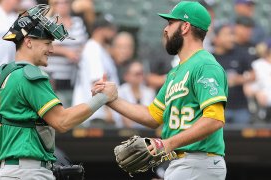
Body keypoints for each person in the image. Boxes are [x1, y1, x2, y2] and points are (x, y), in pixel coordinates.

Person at [93, 1, 228, 179]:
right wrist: (111, 99)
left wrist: (167, 143)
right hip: (183, 162)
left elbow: (214, 119)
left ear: (185, 26)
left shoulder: (205, 65)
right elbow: (153, 116)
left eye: (171, 23)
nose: (166, 29)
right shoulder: (175, 72)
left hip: (199, 160)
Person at [0, 4, 116, 180]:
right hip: (28, 172)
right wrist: (102, 98)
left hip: (11, 169)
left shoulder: (6, 73)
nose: (51, 49)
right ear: (28, 42)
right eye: (47, 43)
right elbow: (62, 121)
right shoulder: (29, 75)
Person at [72, 15, 119, 127]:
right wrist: (108, 112)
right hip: (96, 115)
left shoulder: (99, 49)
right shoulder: (93, 48)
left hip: (97, 113)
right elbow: (98, 83)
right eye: (110, 29)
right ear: (99, 30)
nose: (113, 33)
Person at [42, 0, 88, 108]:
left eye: (65, 2)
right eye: (58, 2)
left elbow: (84, 43)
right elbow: (43, 46)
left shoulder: (78, 22)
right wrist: (66, 52)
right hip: (52, 76)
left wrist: (78, 53)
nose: (62, 5)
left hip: (73, 76)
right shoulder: (47, 22)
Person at [213, 23, 255, 124]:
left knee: (244, 138)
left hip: (239, 108)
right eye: (227, 35)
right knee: (219, 138)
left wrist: (239, 79)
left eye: (232, 35)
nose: (231, 38)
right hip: (217, 108)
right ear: (216, 38)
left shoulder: (240, 54)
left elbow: (253, 74)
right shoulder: (209, 58)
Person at [117, 61, 155, 128]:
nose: (140, 76)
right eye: (137, 74)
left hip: (147, 132)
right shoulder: (120, 92)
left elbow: (152, 117)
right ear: (126, 76)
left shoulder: (149, 92)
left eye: (141, 73)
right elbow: (124, 119)